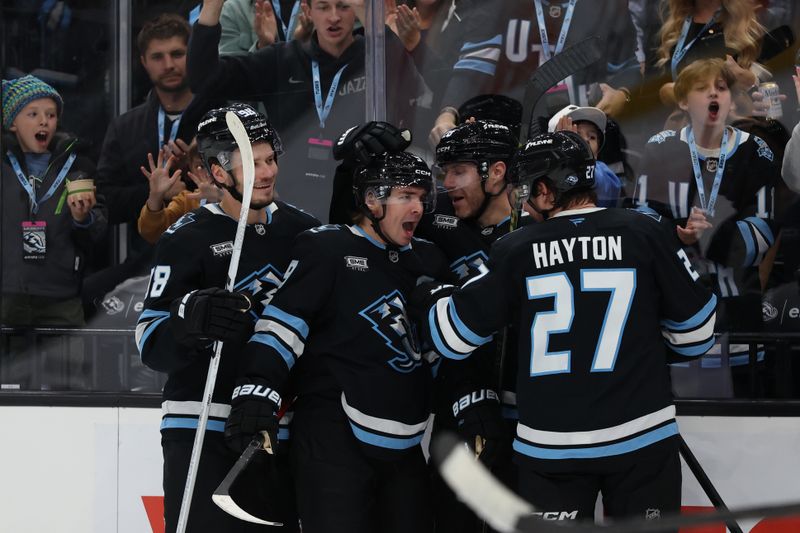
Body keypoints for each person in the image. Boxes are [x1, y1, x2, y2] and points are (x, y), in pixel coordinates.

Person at [411, 130, 718, 526]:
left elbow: (451, 338)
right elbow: (697, 337)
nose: (522, 199)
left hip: (552, 447)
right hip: (642, 438)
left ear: (544, 189)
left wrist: (431, 297)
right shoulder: (646, 232)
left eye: (526, 189)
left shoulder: (516, 248)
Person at [223, 133, 449, 533]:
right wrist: (256, 385)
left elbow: (438, 349)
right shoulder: (328, 248)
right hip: (333, 441)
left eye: (421, 197)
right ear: (371, 200)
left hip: (407, 444)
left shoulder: (427, 259)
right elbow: (282, 326)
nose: (418, 208)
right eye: (406, 196)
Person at [136, 103, 319, 533]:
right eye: (252, 163)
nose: (268, 171)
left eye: (270, 158)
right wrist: (188, 319)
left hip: (281, 427)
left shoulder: (305, 235)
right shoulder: (185, 239)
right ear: (218, 172)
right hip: (201, 427)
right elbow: (149, 343)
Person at [188, 0, 424, 221]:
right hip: (291, 199)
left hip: (360, 201)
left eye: (343, 7)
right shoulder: (283, 59)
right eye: (323, 7)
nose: (334, 17)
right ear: (308, 11)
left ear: (356, 11)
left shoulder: (375, 55)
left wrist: (371, 20)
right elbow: (204, 80)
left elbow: (410, 85)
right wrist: (211, 8)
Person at [636, 58, 787, 373]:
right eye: (701, 89)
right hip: (674, 309)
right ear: (682, 100)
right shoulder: (660, 149)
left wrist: (714, 234)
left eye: (721, 88)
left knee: (742, 412)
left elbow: (762, 234)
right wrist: (677, 235)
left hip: (737, 313)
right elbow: (642, 221)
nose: (713, 95)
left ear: (731, 100)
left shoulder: (757, 152)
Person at [415, 118, 525, 533]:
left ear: (497, 172)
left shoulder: (538, 234)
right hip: (455, 422)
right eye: (445, 172)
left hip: (524, 428)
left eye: (459, 171)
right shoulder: (436, 223)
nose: (448, 183)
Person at [90, 13, 216, 309]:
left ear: (193, 55)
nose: (169, 64)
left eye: (177, 54)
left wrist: (189, 177)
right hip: (145, 258)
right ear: (144, 62)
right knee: (88, 296)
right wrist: (154, 194)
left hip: (211, 254)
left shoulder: (218, 116)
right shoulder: (125, 126)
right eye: (157, 57)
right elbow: (105, 200)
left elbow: (241, 185)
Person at [428, 0, 640, 146]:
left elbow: (628, 67)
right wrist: (447, 114)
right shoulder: (499, 5)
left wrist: (623, 93)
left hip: (585, 138)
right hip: (514, 137)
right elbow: (473, 68)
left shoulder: (607, 5)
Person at [1, 75, 108, 327]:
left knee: (68, 364)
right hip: (7, 294)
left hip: (61, 296)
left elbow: (98, 232)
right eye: (33, 114)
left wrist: (84, 218)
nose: (43, 121)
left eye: (51, 115)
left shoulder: (78, 167)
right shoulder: (3, 167)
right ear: (12, 123)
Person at [137, 141, 224, 244]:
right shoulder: (186, 200)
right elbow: (152, 233)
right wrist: (155, 196)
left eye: (217, 163)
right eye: (201, 166)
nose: (210, 172)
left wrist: (221, 197)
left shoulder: (244, 195)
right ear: (191, 168)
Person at [548, 104, 623, 207]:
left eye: (592, 137)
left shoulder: (603, 173)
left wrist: (577, 161)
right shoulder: (547, 174)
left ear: (597, 153)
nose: (585, 140)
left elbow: (608, 187)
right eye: (576, 134)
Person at [218, 0, 311, 55]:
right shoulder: (234, 9)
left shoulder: (321, 5)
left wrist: (306, 43)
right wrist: (262, 46)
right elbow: (228, 77)